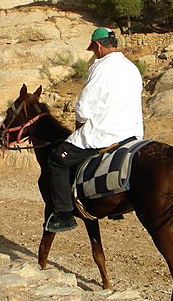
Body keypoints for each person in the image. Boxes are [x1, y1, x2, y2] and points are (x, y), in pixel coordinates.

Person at [45, 27, 144, 232]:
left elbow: (85, 106)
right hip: (132, 134)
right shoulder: (132, 67)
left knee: (57, 160)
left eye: (93, 50)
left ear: (98, 46)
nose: (94, 54)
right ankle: (115, 207)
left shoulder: (101, 67)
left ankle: (63, 215)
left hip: (105, 132)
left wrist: (79, 127)